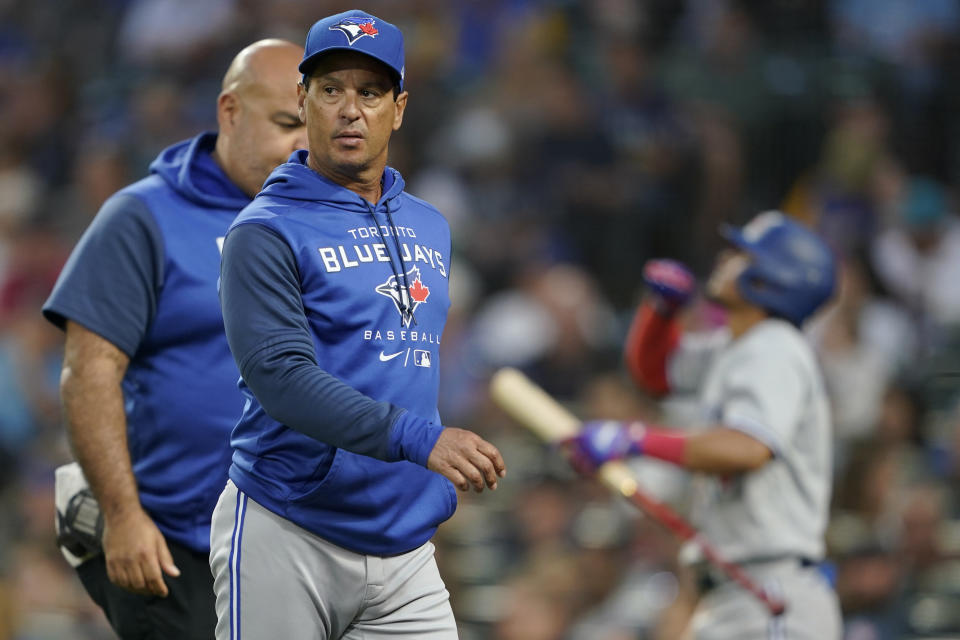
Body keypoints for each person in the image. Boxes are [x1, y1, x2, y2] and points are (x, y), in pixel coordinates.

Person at [210, 10, 506, 640]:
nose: (351, 109)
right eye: (331, 89)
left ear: (397, 109)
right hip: (288, 528)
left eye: (369, 92)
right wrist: (417, 438)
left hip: (404, 546)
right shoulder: (264, 231)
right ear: (304, 100)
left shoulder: (431, 225)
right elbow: (279, 377)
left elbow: (407, 363)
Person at [42, 39, 307, 639]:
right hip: (173, 546)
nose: (303, 146)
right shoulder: (144, 217)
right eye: (287, 123)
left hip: (290, 544)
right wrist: (122, 516)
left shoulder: (322, 224)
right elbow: (88, 372)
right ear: (231, 112)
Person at [562, 211, 843, 640]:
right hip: (737, 591)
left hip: (770, 589)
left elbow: (747, 447)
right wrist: (661, 312)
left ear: (770, 280)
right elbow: (656, 374)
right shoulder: (736, 348)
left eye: (741, 256)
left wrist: (634, 439)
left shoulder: (776, 349)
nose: (725, 260)